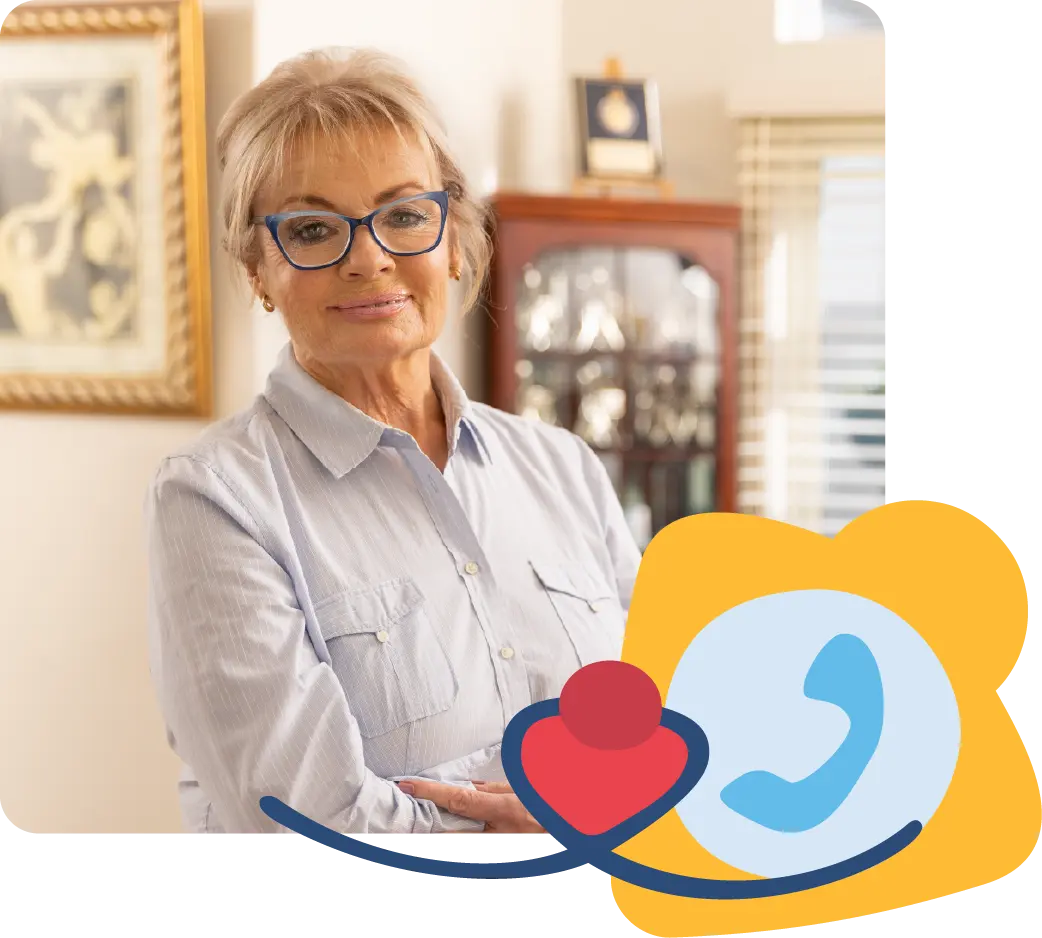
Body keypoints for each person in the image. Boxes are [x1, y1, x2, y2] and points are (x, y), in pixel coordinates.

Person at [145, 47, 641, 839]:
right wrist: (548, 830)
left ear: (452, 237)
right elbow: (299, 819)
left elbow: (655, 734)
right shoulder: (214, 499)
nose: (369, 258)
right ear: (256, 269)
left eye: (405, 214)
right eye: (312, 229)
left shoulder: (564, 469)